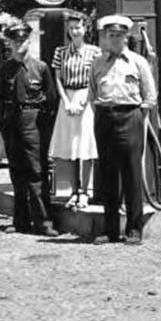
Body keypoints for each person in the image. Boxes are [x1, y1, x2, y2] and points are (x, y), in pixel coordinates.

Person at [89, 15, 157, 246]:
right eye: (110, 35)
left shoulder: (138, 62)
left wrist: (139, 117)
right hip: (104, 117)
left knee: (131, 174)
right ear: (105, 37)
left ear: (126, 36)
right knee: (107, 175)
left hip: (130, 117)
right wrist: (102, 114)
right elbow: (92, 95)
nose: (115, 39)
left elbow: (150, 96)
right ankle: (110, 230)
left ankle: (134, 229)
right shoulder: (98, 63)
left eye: (119, 35)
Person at [0, 24, 59, 237]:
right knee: (17, 172)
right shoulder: (5, 70)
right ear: (10, 43)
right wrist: (6, 125)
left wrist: (43, 129)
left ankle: (44, 222)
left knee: (36, 171)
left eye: (22, 40)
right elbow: (0, 102)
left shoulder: (40, 68)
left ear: (28, 42)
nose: (18, 44)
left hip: (34, 122)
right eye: (14, 41)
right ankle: (20, 221)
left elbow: (51, 101)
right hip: (12, 123)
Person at [49, 14, 101, 210]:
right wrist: (66, 102)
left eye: (78, 27)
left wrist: (83, 102)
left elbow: (95, 80)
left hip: (85, 99)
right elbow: (58, 80)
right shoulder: (60, 52)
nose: (75, 31)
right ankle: (72, 191)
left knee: (85, 147)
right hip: (67, 99)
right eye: (71, 28)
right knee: (71, 147)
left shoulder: (94, 52)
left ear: (85, 29)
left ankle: (85, 192)